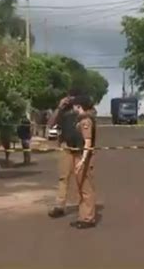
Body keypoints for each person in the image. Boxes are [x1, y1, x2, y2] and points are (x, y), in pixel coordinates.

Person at [47, 89, 82, 218]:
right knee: (63, 177)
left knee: (81, 177)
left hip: (81, 147)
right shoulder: (63, 111)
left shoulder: (83, 109)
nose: (70, 99)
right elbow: (50, 124)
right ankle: (60, 206)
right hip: (65, 145)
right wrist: (59, 107)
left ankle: (83, 205)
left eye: (72, 97)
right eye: (68, 97)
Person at [69, 95, 97, 229]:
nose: (73, 108)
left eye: (74, 105)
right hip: (78, 155)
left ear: (79, 106)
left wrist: (83, 160)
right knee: (80, 188)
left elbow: (88, 141)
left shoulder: (86, 121)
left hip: (83, 157)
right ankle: (82, 216)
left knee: (86, 189)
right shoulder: (80, 120)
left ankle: (88, 218)